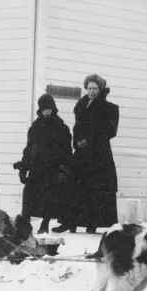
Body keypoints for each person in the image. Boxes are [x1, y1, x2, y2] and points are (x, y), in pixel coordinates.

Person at [54, 74, 120, 235]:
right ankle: (71, 223)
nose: (91, 91)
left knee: (95, 189)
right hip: (82, 154)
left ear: (100, 89)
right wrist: (77, 142)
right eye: (89, 88)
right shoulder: (81, 105)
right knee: (75, 187)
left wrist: (89, 140)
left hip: (99, 156)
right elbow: (77, 128)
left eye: (95, 89)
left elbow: (110, 131)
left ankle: (93, 224)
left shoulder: (109, 108)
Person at [14, 94, 74, 234]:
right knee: (29, 196)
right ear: (40, 110)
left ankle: (44, 224)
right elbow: (29, 149)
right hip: (36, 168)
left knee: (49, 198)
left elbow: (67, 150)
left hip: (53, 168)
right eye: (44, 109)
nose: (47, 112)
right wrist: (23, 168)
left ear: (54, 109)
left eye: (49, 109)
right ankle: (25, 225)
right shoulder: (35, 128)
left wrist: (63, 169)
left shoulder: (61, 128)